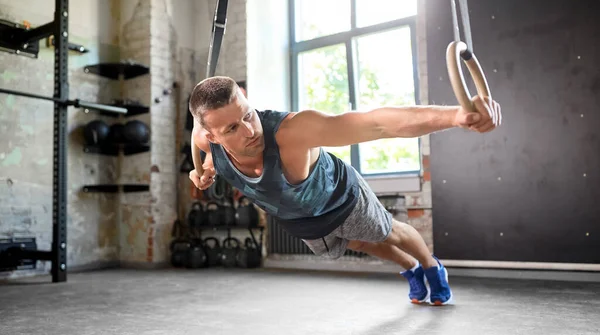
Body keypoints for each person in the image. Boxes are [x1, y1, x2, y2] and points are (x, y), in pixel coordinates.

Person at [188, 76, 502, 306]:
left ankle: (432, 267)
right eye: (231, 128)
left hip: (342, 198)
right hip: (302, 220)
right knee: (360, 244)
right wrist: (202, 171)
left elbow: (377, 124)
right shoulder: (206, 143)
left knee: (387, 233)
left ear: (246, 99)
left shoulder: (294, 131)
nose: (249, 130)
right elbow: (199, 143)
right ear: (211, 136)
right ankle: (411, 268)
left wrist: (455, 117)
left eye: (248, 114)